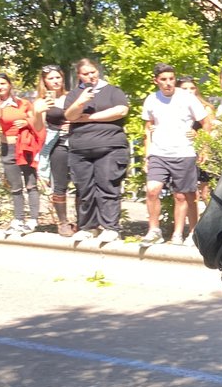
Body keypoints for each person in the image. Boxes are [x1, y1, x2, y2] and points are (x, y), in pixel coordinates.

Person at [140, 64, 209, 246]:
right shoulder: (151, 100)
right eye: (163, 79)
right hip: (159, 153)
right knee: (152, 189)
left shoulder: (187, 98)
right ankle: (154, 230)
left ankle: (178, 234)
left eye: (171, 78)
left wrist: (203, 147)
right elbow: (147, 128)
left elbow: (205, 123)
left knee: (181, 195)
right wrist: (147, 154)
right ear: (156, 81)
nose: (168, 83)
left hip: (183, 152)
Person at [64, 58, 130, 243]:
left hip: (109, 147)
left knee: (107, 185)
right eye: (85, 74)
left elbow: (120, 111)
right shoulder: (75, 95)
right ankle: (87, 227)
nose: (90, 76)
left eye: (92, 72)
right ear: (79, 76)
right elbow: (69, 115)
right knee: (85, 189)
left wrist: (89, 117)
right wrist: (80, 102)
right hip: (80, 149)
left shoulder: (112, 91)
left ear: (97, 71)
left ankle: (110, 227)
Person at [0, 73, 45, 233]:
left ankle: (33, 220)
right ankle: (18, 219)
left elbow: (37, 123)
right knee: (15, 186)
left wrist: (26, 121)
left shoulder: (24, 103)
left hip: (24, 147)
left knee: (31, 184)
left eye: (3, 83)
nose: (0, 87)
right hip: (7, 147)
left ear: (10, 85)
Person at [31, 64, 76, 236]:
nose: (55, 81)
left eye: (58, 77)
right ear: (44, 82)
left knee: (81, 182)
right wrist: (37, 112)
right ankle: (63, 222)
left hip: (77, 141)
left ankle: (84, 222)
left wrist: (73, 124)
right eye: (51, 78)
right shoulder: (42, 101)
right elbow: (38, 127)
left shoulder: (71, 96)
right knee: (60, 184)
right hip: (57, 144)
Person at [178, 76, 218, 205]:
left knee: (205, 191)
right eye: (184, 89)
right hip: (182, 152)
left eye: (192, 88)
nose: (189, 91)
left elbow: (212, 132)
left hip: (202, 153)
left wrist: (198, 135)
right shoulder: (176, 107)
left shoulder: (205, 108)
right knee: (186, 192)